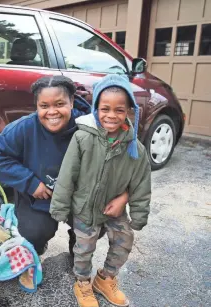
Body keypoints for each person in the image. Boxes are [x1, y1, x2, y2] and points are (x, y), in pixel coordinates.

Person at [0, 75, 129, 256]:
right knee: (33, 233)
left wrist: (122, 196)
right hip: (40, 197)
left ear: (72, 102)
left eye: (59, 104)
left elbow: (125, 162)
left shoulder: (90, 127)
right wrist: (29, 182)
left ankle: (76, 244)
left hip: (79, 198)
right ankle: (36, 244)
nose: (52, 112)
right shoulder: (23, 128)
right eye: (44, 106)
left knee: (98, 223)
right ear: (36, 106)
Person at [50, 74, 152, 307]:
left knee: (125, 239)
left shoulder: (134, 148)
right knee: (84, 249)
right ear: (96, 108)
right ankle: (83, 283)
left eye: (119, 110)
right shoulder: (82, 138)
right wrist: (60, 207)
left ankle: (105, 279)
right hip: (85, 209)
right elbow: (67, 175)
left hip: (114, 210)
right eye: (105, 108)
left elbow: (141, 183)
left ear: (128, 111)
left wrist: (138, 214)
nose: (111, 115)